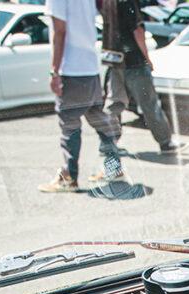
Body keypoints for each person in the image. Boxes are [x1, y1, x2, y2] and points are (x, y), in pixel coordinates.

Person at [39, 0, 124, 193]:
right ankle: (114, 168)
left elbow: (60, 31)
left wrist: (54, 71)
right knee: (99, 119)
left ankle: (68, 177)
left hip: (71, 69)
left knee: (69, 123)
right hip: (90, 68)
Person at [98, 0, 184, 164]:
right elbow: (137, 30)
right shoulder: (129, 2)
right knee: (149, 103)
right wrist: (147, 58)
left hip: (115, 59)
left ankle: (107, 143)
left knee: (114, 102)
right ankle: (166, 143)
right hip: (134, 60)